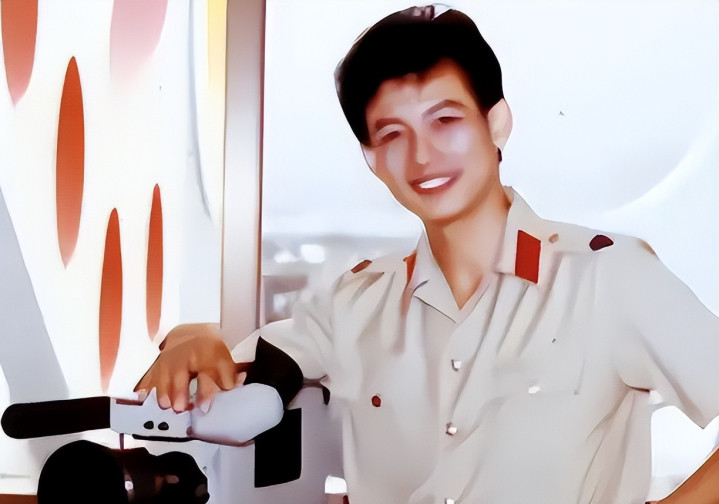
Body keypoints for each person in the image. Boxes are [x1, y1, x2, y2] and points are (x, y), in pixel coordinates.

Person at [135, 6, 719, 504]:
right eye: (392, 134)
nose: (422, 156)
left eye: (445, 120)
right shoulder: (353, 306)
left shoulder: (607, 277)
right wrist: (192, 336)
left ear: (497, 122)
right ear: (372, 159)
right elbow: (240, 367)